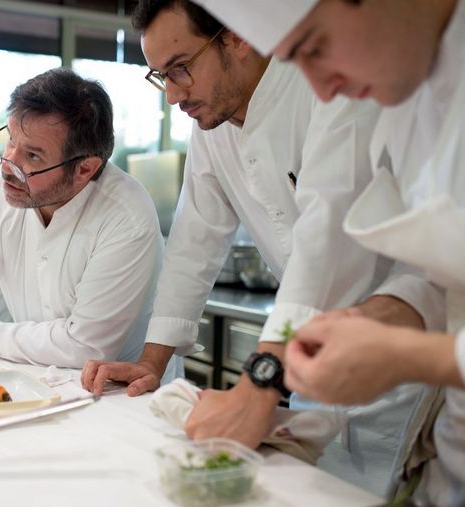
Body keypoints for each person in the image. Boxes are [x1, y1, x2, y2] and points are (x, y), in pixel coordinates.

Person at [80, 0, 445, 496]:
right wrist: (151, 360)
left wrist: (261, 380)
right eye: (159, 76)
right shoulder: (211, 127)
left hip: (410, 352)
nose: (171, 95)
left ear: (236, 37)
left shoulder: (332, 84)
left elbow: (325, 232)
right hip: (313, 355)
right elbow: (193, 244)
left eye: (180, 69)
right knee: (313, 488)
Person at [193, 0, 465, 504]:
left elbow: (327, 220)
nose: (323, 89)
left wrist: (411, 355)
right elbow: (441, 276)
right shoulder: (408, 92)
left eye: (315, 47)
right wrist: (376, 315)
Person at [0, 68, 165, 369]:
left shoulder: (125, 215)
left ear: (84, 170)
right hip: (38, 379)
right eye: (10, 141)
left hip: (123, 397)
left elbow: (87, 346)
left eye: (33, 157)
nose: (8, 166)